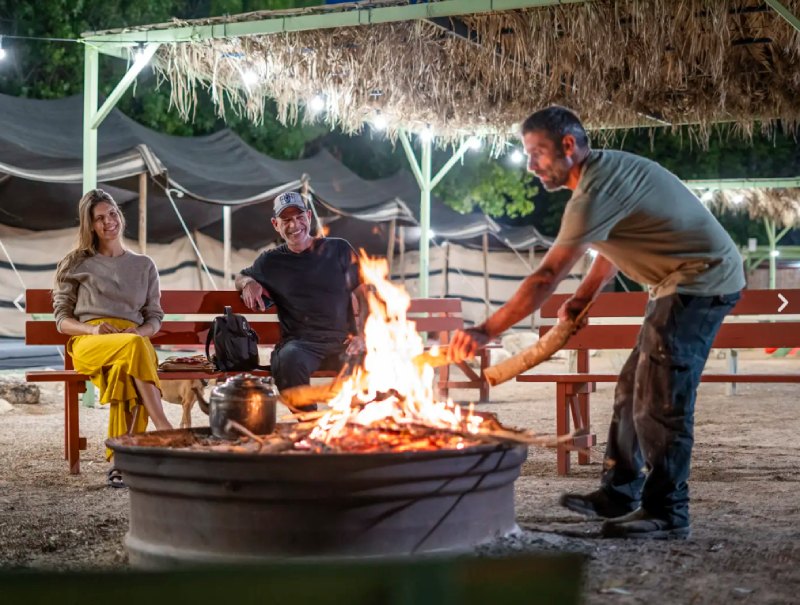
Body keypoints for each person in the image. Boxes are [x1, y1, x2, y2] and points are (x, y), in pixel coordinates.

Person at [449, 106, 745, 539]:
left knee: (660, 398)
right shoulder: (603, 180)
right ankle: (619, 492)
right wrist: (584, 295)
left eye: (537, 154)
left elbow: (545, 277)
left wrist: (485, 330)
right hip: (675, 283)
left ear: (568, 146)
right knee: (632, 390)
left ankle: (667, 513)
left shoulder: (593, 192)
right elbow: (611, 245)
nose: (531, 166)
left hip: (701, 280)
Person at [53, 189, 173, 487]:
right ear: (89, 225)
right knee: (134, 351)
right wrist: (93, 329)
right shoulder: (76, 263)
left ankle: (122, 463)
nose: (109, 222)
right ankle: (163, 426)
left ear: (120, 216)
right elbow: (62, 321)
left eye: (112, 214)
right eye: (99, 218)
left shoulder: (144, 265)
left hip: (132, 341)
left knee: (126, 368)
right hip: (90, 343)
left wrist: (138, 333)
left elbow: (154, 318)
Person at [235, 192, 361, 394]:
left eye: (299, 217)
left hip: (343, 343)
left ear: (309, 217)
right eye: (286, 220)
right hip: (301, 346)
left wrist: (363, 335)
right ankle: (309, 423)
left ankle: (359, 422)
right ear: (275, 224)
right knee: (288, 360)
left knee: (374, 359)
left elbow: (366, 293)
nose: (294, 225)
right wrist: (248, 282)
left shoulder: (339, 249)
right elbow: (240, 276)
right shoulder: (270, 262)